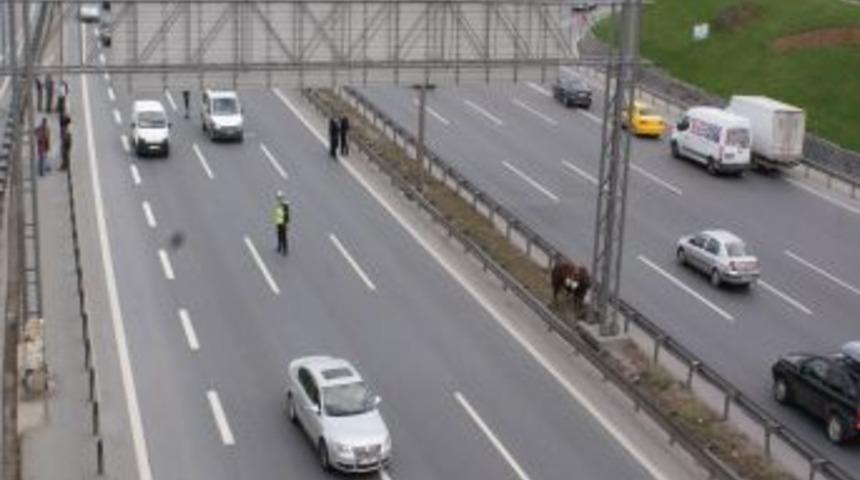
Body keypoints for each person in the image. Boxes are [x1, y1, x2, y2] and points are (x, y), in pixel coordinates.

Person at [273, 190, 290, 256]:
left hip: (283, 223)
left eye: (279, 197)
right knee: (279, 235)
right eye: (278, 197)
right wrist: (276, 222)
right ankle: (279, 247)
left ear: (282, 197)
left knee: (284, 237)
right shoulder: (278, 204)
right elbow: (277, 214)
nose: (278, 198)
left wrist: (286, 224)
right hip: (278, 223)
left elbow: (286, 216)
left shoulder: (285, 205)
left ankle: (285, 250)